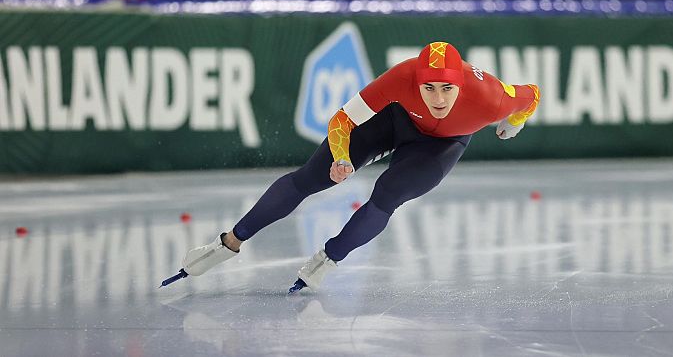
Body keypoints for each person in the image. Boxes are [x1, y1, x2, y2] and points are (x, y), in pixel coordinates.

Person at [179, 42, 540, 293]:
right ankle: (228, 243)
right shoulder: (401, 77)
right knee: (311, 177)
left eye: (448, 88)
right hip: (395, 120)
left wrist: (517, 120)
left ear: (461, 84)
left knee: (386, 196)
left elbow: (532, 94)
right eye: (429, 88)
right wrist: (340, 157)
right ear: (417, 81)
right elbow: (342, 120)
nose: (439, 99)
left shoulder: (492, 98)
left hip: (442, 145)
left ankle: (329, 257)